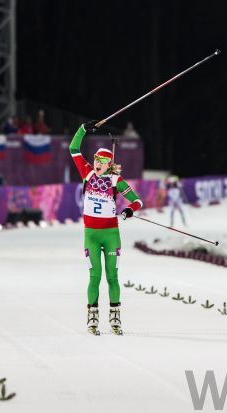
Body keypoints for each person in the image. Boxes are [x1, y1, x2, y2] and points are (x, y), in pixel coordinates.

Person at [70, 121, 143, 336]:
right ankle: (92, 318)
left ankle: (115, 318)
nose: (97, 163)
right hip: (91, 235)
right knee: (95, 276)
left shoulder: (115, 180)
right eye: (95, 160)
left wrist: (129, 210)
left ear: (109, 163)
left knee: (112, 276)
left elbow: (137, 201)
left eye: (101, 161)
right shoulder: (87, 173)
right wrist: (83, 128)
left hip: (111, 234)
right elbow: (73, 149)